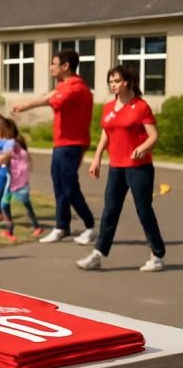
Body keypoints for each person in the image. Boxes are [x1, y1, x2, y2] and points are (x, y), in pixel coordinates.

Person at [76, 65, 165, 272]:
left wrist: (143, 148)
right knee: (110, 211)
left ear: (127, 82)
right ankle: (98, 254)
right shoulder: (108, 108)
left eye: (116, 81)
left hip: (139, 168)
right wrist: (97, 158)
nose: (113, 85)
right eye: (111, 81)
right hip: (116, 168)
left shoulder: (140, 106)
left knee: (144, 211)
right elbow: (106, 134)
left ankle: (157, 254)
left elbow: (153, 136)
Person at [14, 49, 95, 244]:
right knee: (59, 186)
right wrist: (24, 106)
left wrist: (34, 103)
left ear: (66, 66)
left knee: (69, 187)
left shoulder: (75, 88)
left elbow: (52, 99)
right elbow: (48, 96)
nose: (50, 67)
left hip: (72, 144)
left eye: (54, 63)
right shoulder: (64, 85)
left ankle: (90, 225)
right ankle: (62, 227)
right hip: (61, 143)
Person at [0, 114, 43, 241]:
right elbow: (27, 157)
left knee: (4, 204)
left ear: (4, 130)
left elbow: (0, 160)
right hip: (22, 180)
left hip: (13, 181)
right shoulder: (18, 141)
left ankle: (10, 231)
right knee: (25, 202)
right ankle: (36, 226)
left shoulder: (10, 143)